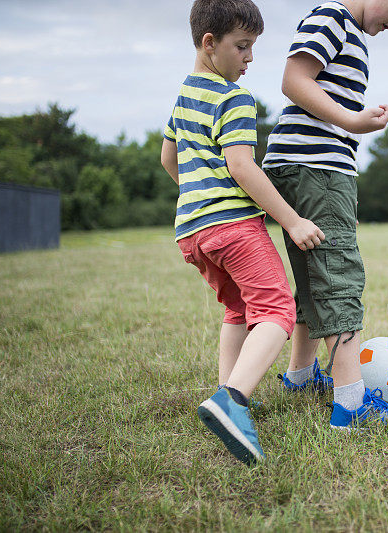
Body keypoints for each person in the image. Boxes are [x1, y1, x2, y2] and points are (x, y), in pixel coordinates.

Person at [160, 0, 325, 464]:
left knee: (237, 308)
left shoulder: (183, 96)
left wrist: (200, 196)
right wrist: (291, 220)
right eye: (243, 47)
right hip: (232, 227)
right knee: (276, 310)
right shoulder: (234, 98)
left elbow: (168, 161)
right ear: (209, 44)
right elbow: (240, 164)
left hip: (192, 233)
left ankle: (224, 394)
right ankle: (232, 401)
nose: (250, 58)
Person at [264, 0, 388, 429]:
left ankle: (300, 377)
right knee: (339, 275)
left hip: (305, 165)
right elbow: (294, 80)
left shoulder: (349, 29)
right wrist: (352, 122)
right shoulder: (332, 17)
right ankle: (352, 403)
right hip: (317, 169)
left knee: (314, 277)